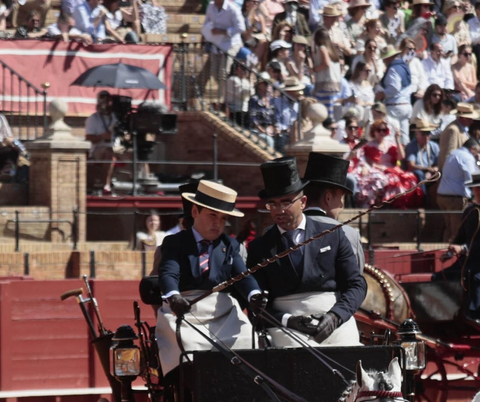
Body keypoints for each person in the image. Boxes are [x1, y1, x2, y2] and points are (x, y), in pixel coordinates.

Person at [138, 179, 267, 372]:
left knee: (248, 337)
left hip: (224, 312)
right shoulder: (175, 242)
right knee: (188, 348)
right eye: (212, 215)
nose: (217, 223)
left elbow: (243, 276)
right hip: (183, 310)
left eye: (223, 218)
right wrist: (174, 297)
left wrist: (254, 294)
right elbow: (168, 273)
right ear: (195, 212)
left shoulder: (230, 245)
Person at [246, 157, 366, 347]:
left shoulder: (332, 234)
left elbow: (356, 285)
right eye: (273, 204)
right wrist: (288, 320)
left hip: (334, 319)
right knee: (305, 358)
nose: (279, 211)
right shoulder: (260, 247)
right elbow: (257, 305)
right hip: (287, 326)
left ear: (303, 202)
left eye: (285, 202)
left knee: (350, 354)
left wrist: (336, 316)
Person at [437, 169, 480, 321]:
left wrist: (463, 249)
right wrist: (450, 252)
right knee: (439, 277)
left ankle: (476, 317)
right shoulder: (470, 210)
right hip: (467, 261)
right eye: (477, 188)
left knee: (476, 278)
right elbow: (461, 235)